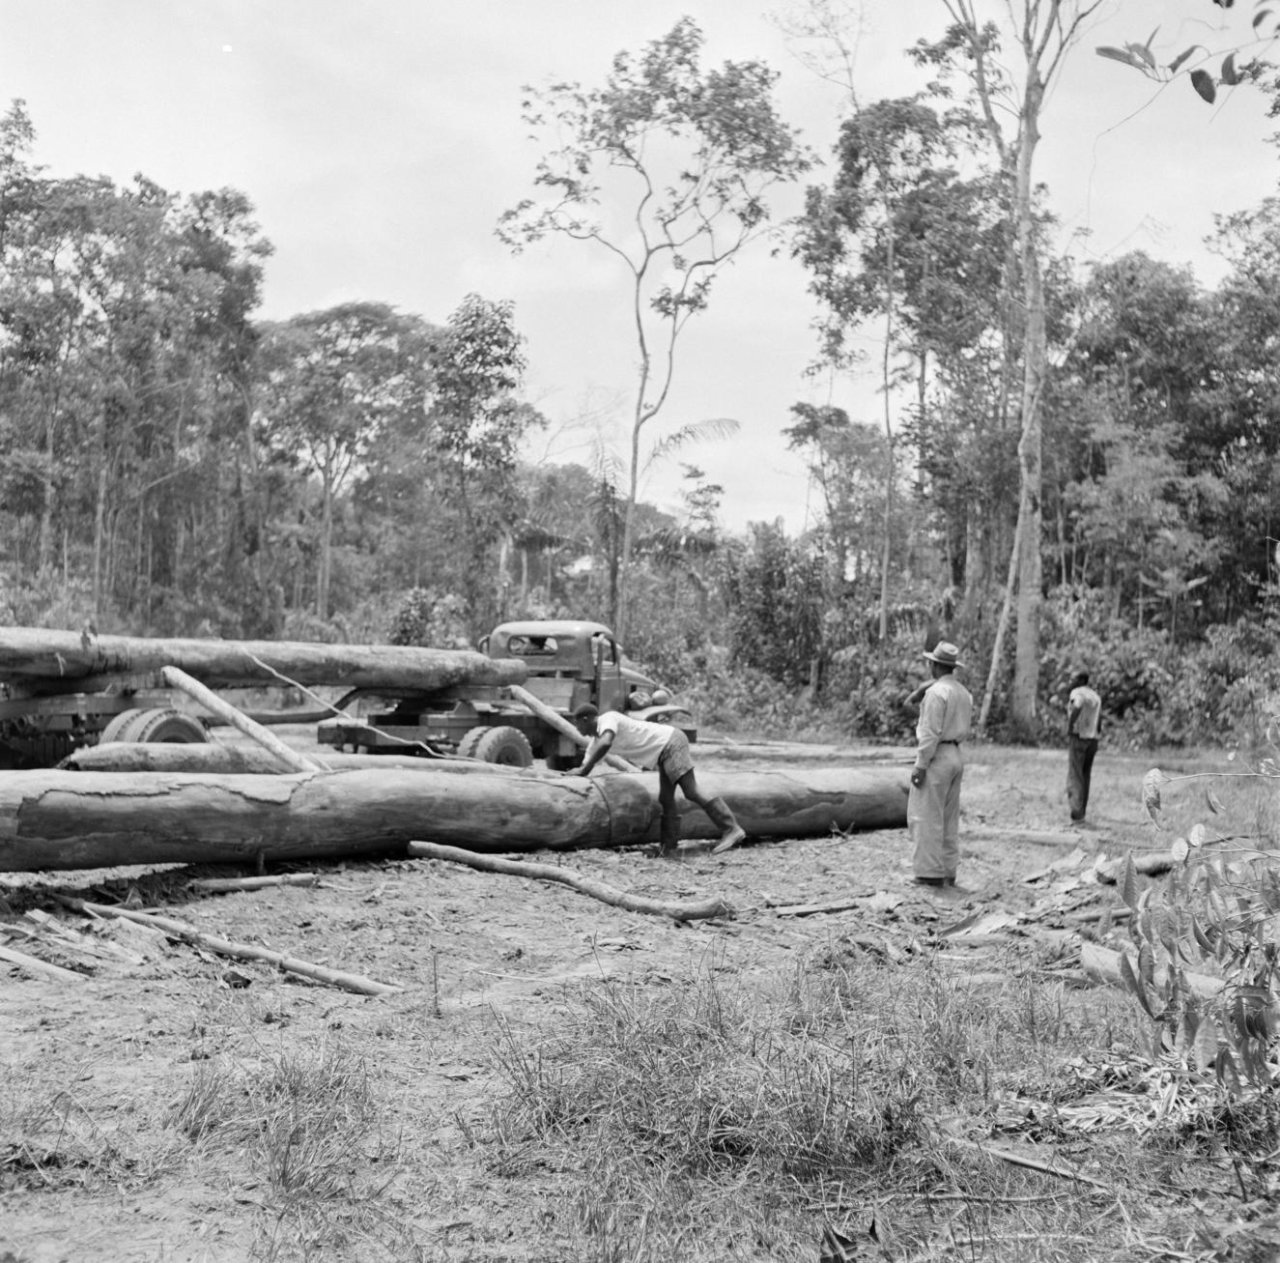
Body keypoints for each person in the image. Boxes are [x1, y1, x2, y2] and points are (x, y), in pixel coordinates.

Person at [570, 703, 746, 857]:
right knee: (666, 798)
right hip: (663, 751)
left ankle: (731, 828)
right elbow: (584, 767)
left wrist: (584, 770)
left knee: (691, 790)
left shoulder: (608, 719)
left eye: (576, 723)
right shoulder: (595, 743)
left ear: (586, 719)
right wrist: (573, 774)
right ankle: (668, 848)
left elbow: (606, 743)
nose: (576, 728)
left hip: (671, 742)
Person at [906, 642, 973, 887]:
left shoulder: (936, 693)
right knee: (948, 817)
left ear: (934, 665)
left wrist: (920, 765)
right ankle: (947, 869)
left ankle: (928, 872)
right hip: (955, 753)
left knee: (926, 815)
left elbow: (930, 733)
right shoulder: (963, 693)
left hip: (938, 755)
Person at [1066, 669, 1102, 823]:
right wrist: (1096, 734)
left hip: (1079, 737)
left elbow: (1078, 706)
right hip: (1092, 739)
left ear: (1081, 681)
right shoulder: (1095, 696)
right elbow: (1099, 720)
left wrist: (1070, 726)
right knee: (1085, 776)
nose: (1071, 682)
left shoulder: (1078, 692)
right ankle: (1082, 812)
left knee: (1075, 775)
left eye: (1073, 679)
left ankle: (1076, 812)